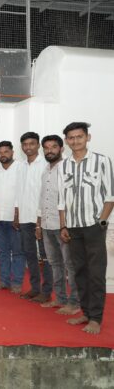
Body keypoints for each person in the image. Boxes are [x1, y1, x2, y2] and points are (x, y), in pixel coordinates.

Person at [59, 122, 113, 335]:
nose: (75, 141)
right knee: (79, 272)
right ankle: (86, 312)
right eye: (71, 138)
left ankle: (96, 319)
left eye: (79, 137)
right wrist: (63, 225)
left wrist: (102, 222)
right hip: (73, 227)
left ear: (87, 137)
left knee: (96, 273)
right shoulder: (63, 165)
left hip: (94, 226)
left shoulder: (102, 161)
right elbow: (62, 200)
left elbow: (110, 196)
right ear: (66, 141)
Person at [37, 135, 79, 315]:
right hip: (47, 224)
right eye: (46, 148)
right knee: (55, 263)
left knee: (70, 265)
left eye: (53, 147)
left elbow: (71, 198)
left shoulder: (68, 168)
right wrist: (39, 224)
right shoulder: (45, 170)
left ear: (62, 148)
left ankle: (75, 302)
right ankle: (60, 299)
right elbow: (42, 199)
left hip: (64, 226)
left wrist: (65, 225)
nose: (50, 151)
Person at [17, 132, 53, 303]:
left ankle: (46, 291)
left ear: (38, 145)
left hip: (42, 218)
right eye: (25, 144)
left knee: (46, 256)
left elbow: (46, 194)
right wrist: (17, 214)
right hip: (25, 217)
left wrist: (40, 219)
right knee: (30, 254)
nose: (28, 147)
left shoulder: (46, 164)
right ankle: (35, 288)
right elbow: (18, 192)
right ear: (22, 147)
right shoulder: (21, 166)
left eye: (32, 143)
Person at [0, 141, 25, 294]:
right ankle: (4, 281)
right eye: (0, 152)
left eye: (6, 151)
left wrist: (18, 214)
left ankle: (17, 282)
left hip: (14, 217)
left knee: (17, 252)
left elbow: (22, 192)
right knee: (2, 252)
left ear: (12, 152)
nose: (2, 155)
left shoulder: (21, 168)